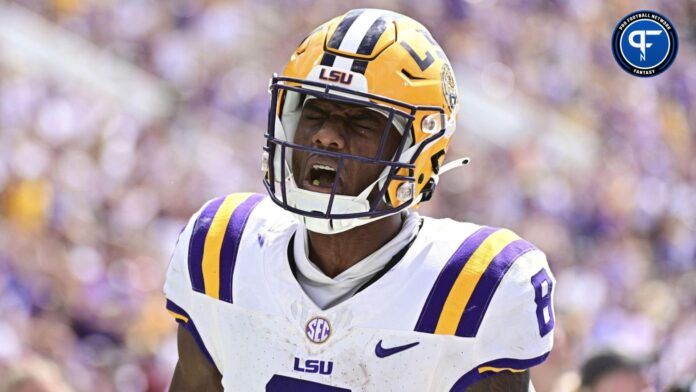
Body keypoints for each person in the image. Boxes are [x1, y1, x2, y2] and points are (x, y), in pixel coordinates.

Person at [164, 8, 555, 391]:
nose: (326, 136)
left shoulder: (476, 283)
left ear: (419, 149)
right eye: (314, 112)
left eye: (361, 119)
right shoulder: (223, 246)